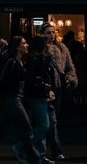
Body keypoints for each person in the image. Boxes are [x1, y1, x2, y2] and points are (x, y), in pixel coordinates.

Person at [0, 35, 43, 164]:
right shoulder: (11, 62)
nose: (27, 45)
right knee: (27, 130)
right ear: (17, 47)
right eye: (24, 43)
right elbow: (3, 82)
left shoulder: (20, 61)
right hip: (12, 100)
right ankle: (35, 159)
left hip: (13, 100)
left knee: (1, 132)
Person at [42, 23, 77, 161]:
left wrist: (70, 79)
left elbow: (70, 66)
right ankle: (55, 150)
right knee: (50, 121)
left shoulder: (62, 48)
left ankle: (44, 149)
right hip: (45, 88)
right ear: (43, 34)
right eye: (48, 32)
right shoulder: (42, 49)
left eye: (53, 32)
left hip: (58, 88)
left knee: (52, 120)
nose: (51, 35)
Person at [26, 34, 58, 164]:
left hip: (41, 94)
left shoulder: (42, 58)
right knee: (44, 125)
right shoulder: (36, 59)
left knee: (43, 124)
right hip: (37, 95)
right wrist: (45, 86)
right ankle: (27, 147)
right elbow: (33, 78)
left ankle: (40, 154)